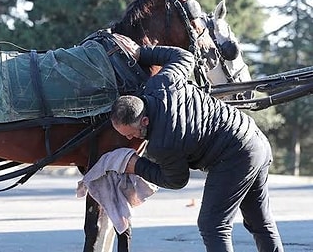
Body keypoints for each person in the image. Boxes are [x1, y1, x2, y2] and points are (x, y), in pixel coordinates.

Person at [109, 34, 284, 252]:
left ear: (144, 120)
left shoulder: (162, 144)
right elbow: (184, 56)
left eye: (131, 133)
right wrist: (142, 53)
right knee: (260, 222)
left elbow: (176, 180)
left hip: (233, 155)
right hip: (255, 139)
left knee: (213, 225)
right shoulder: (162, 82)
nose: (129, 139)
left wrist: (137, 166)